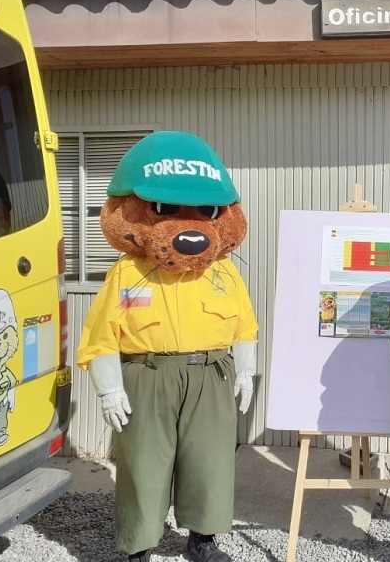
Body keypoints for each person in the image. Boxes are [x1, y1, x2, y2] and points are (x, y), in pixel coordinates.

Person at [77, 132, 258, 562]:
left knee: (210, 461)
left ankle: (203, 539)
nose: (189, 226)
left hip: (210, 375)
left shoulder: (224, 272)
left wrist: (246, 370)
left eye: (206, 211)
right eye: (165, 209)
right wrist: (109, 388)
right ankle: (139, 545)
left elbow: (244, 326)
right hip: (147, 374)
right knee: (143, 462)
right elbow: (101, 334)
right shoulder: (127, 272)